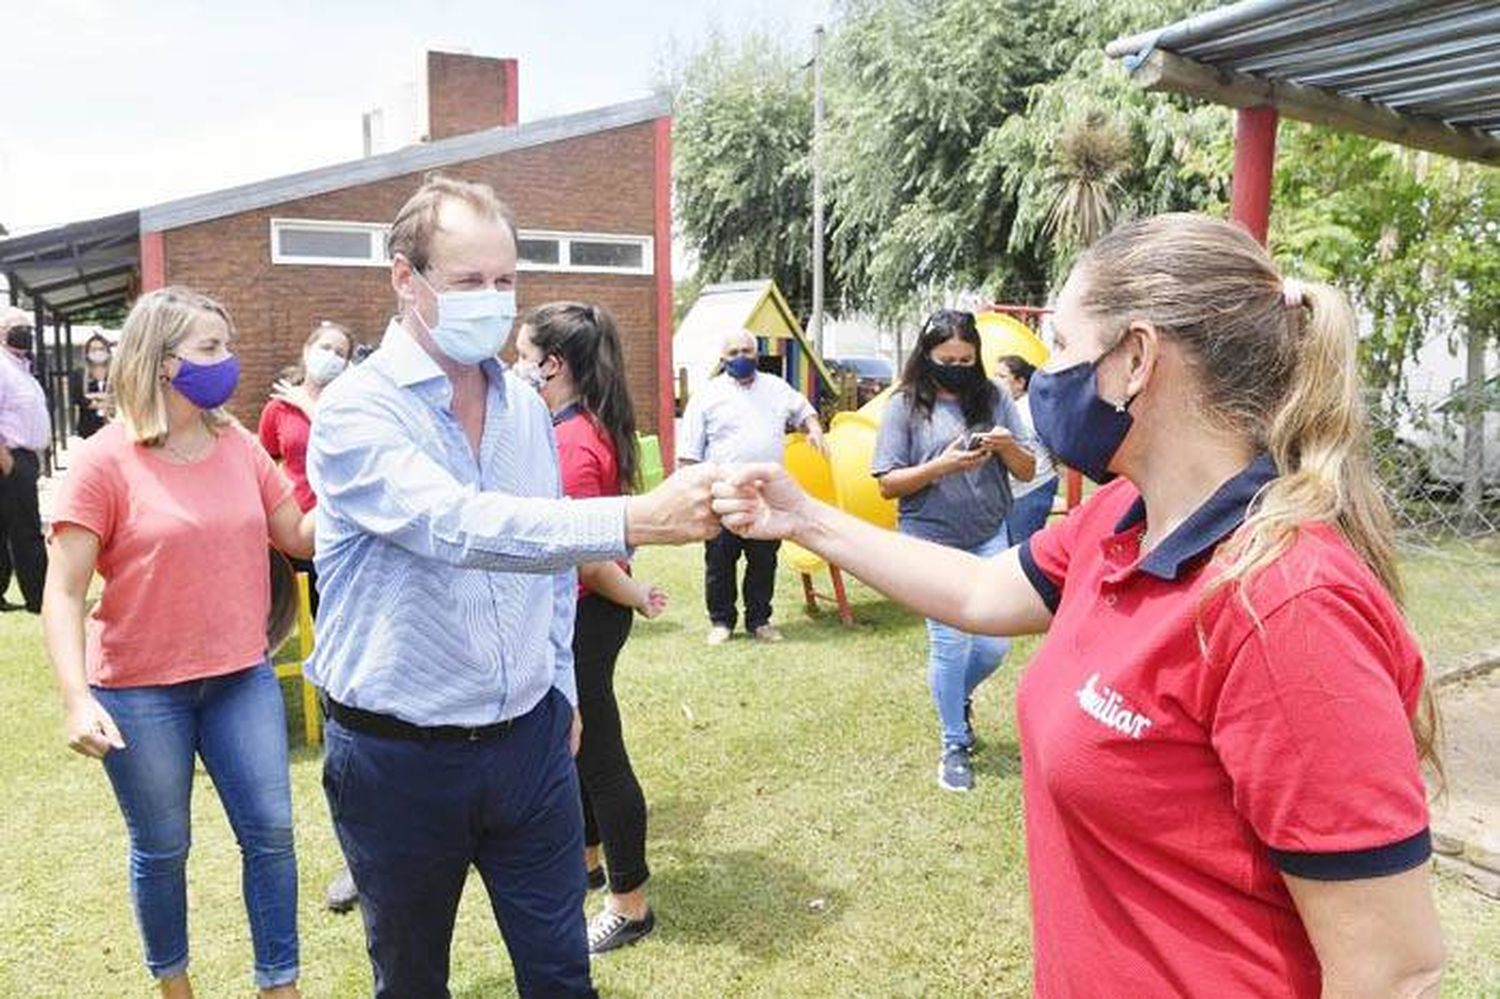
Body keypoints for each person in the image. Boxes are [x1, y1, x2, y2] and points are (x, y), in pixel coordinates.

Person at [709, 213, 1446, 998]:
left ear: (1135, 357)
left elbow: (1394, 971)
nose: (1041, 374)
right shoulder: (1120, 520)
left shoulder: (1285, 604)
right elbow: (976, 589)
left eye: (1060, 344)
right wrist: (807, 518)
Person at [305, 174, 719, 999]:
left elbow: (545, 564)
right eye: (467, 282)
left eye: (505, 281)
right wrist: (635, 517)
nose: (492, 300)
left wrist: (559, 690)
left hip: (528, 744)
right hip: (399, 756)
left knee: (563, 973)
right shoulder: (357, 412)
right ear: (404, 279)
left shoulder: (523, 408)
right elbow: (459, 528)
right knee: (414, 979)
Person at [41, 287, 314, 999]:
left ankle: (278, 985)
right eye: (211, 349)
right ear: (162, 362)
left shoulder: (240, 444)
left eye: (227, 345)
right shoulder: (105, 461)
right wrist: (76, 700)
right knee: (163, 850)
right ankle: (175, 985)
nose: (229, 362)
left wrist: (373, 487)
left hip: (240, 679)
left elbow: (296, 536)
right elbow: (64, 591)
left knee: (272, 836)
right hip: (137, 691)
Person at [515, 301, 666, 955]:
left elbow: (591, 555)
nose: (512, 367)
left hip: (590, 611)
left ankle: (629, 904)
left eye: (522, 356)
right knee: (576, 747)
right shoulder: (574, 425)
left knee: (601, 754)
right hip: (590, 606)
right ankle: (588, 860)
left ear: (552, 364)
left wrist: (631, 594)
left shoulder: (573, 441)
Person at [871, 310, 1036, 792]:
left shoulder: (995, 397)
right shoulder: (905, 405)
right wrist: (941, 466)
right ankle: (954, 743)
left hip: (988, 531)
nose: (958, 367)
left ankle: (954, 699)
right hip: (929, 537)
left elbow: (1026, 471)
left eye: (966, 359)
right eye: (948, 359)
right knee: (950, 643)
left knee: (994, 643)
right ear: (928, 356)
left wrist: (1006, 446)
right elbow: (887, 483)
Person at [678, 330, 825, 645]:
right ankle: (721, 622)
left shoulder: (775, 387)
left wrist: (814, 429)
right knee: (719, 562)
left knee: (763, 561)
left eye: (747, 350)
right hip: (723, 495)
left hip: (765, 496)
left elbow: (804, 410)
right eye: (733, 353)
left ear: (757, 353)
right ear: (723, 358)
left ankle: (760, 621)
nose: (741, 357)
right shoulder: (708, 395)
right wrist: (693, 497)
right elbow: (689, 454)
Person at [257, 319, 354, 616]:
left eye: (340, 353)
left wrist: (308, 407)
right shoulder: (278, 408)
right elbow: (266, 461)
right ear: (308, 350)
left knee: (334, 611)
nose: (332, 356)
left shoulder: (349, 406)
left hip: (336, 523)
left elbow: (348, 452)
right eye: (326, 347)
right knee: (292, 613)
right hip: (292, 524)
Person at [0, 306, 51, 614]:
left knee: (5, 529)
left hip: (24, 458)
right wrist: (7, 461)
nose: (25, 332)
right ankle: (40, 597)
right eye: (16, 327)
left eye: (27, 327)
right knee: (26, 530)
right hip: (10, 460)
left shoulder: (22, 369)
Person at [994, 354, 1060, 547]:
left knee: (1019, 551)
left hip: (1031, 489)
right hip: (1025, 488)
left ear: (1020, 382)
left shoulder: (1025, 411)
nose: (996, 382)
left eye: (1002, 377)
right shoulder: (1015, 407)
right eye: (995, 376)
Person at [72, 333, 113, 439]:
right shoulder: (79, 374)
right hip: (88, 429)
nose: (98, 352)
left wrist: (95, 398)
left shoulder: (115, 373)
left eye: (101, 349)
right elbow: (78, 398)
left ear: (108, 352)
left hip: (113, 427)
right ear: (87, 353)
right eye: (93, 349)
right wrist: (101, 402)